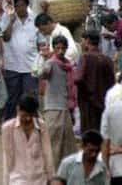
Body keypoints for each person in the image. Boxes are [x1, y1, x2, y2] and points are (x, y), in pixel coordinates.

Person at [41, 35, 78, 167]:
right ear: (54, 49)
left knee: (67, 146)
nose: (61, 51)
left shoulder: (68, 65)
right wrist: (44, 60)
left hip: (66, 109)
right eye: (58, 48)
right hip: (53, 109)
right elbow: (44, 73)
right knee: (53, 145)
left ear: (66, 48)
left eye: (63, 48)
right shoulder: (51, 63)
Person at [1, 0, 39, 121]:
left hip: (31, 65)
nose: (20, 8)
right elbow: (5, 38)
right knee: (12, 97)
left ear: (27, 6)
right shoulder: (7, 17)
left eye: (22, 5)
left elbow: (41, 41)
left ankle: (31, 120)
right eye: (17, 6)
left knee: (30, 97)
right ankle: (10, 122)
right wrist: (11, 21)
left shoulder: (34, 19)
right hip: (12, 65)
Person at [1, 94, 54, 185]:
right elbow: (7, 157)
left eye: (31, 115)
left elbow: (47, 153)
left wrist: (51, 178)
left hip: (40, 180)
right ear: (18, 109)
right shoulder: (7, 128)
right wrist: (6, 182)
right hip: (18, 180)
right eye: (24, 115)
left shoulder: (41, 126)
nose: (28, 119)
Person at [75, 31, 115, 133]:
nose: (82, 43)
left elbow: (78, 78)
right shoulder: (107, 59)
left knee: (90, 134)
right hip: (104, 102)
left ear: (87, 41)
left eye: (82, 40)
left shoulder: (85, 57)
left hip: (89, 104)